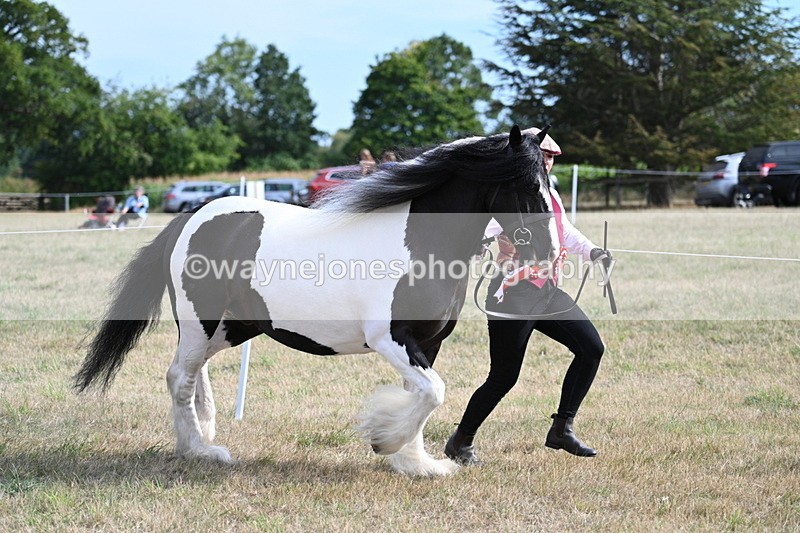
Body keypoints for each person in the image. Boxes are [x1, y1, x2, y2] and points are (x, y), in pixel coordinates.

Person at [445, 127, 613, 464]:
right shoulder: (511, 196)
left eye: (551, 156)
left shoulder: (548, 193)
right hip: (512, 293)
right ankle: (460, 441)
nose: (547, 161)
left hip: (546, 290)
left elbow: (564, 231)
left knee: (591, 348)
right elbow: (483, 227)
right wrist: (481, 243)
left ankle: (562, 428)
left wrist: (593, 251)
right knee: (503, 377)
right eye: (542, 155)